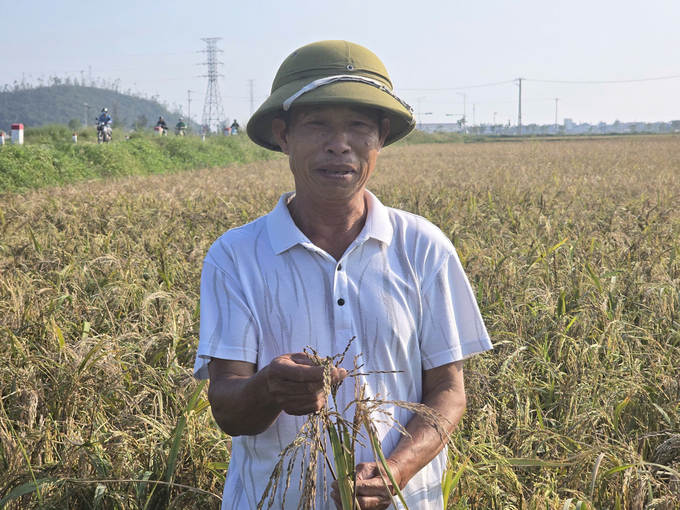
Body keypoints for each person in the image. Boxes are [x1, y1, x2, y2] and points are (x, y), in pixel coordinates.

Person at [194, 40, 492, 510]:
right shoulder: (236, 256)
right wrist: (270, 386)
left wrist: (396, 472)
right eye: (317, 125)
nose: (340, 144)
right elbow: (226, 406)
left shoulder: (423, 246)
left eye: (358, 125)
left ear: (380, 138)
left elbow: (448, 391)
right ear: (284, 135)